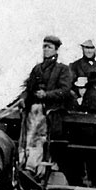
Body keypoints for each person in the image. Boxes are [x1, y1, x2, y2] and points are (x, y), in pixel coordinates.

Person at [22, 35, 73, 176]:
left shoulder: (62, 69)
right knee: (28, 137)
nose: (46, 49)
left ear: (56, 50)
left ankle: (32, 168)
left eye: (49, 47)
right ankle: (25, 164)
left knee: (39, 138)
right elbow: (28, 88)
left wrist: (47, 95)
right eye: (44, 46)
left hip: (51, 111)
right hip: (34, 109)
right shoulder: (37, 69)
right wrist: (23, 99)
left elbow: (65, 90)